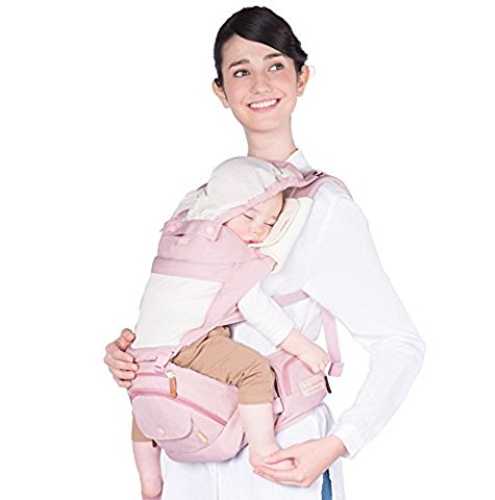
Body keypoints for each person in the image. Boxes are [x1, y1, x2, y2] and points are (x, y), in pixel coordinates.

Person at [104, 6, 425, 500]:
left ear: (302, 78)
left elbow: (399, 343)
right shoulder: (198, 206)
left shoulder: (322, 207)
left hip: (282, 460)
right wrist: (131, 355)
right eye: (240, 71)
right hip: (189, 457)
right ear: (220, 90)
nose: (260, 84)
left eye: (275, 65)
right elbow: (182, 313)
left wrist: (338, 444)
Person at [131, 156, 330, 499]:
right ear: (222, 209)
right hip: (187, 345)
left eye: (270, 224)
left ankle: (149, 480)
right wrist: (305, 348)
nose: (258, 230)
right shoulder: (224, 251)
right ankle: (263, 449)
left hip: (144, 350)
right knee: (254, 371)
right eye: (249, 217)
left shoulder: (181, 236)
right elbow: (256, 308)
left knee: (147, 399)